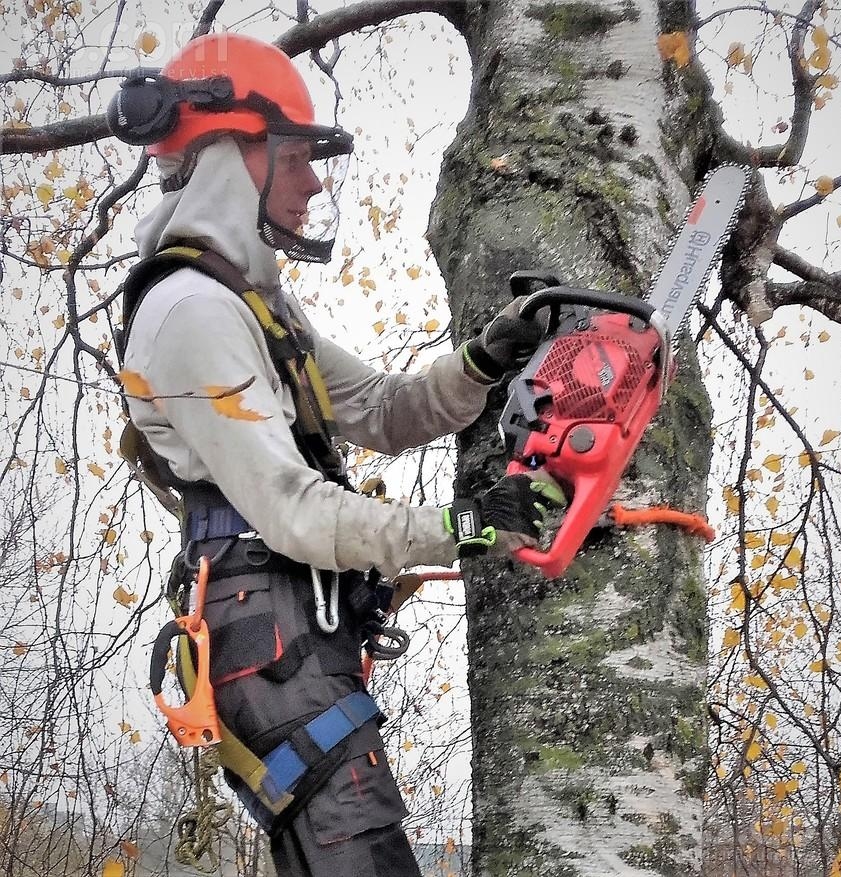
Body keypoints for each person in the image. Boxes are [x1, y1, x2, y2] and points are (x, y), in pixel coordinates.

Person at [111, 32, 563, 877]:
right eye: (293, 156)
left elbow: (383, 408)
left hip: (294, 637)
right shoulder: (191, 313)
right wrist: (464, 526)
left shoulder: (252, 305)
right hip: (273, 644)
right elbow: (294, 511)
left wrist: (484, 360)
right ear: (227, 158)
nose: (314, 180)